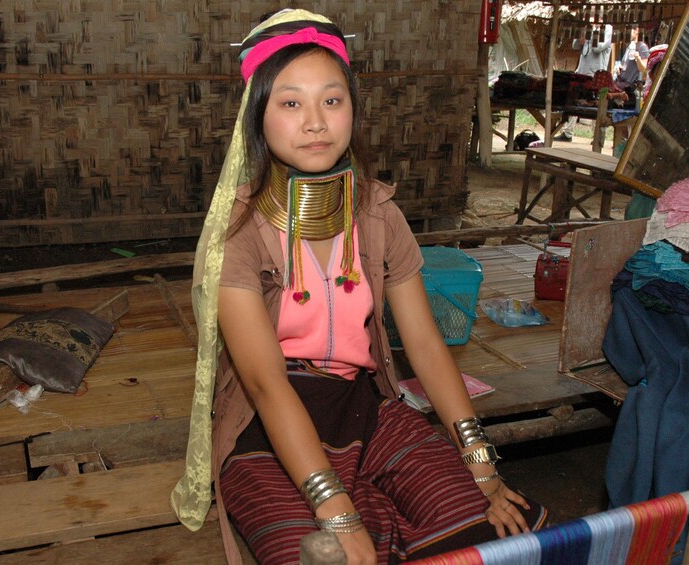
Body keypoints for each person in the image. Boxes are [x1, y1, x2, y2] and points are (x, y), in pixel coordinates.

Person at [170, 8, 546, 564]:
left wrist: (479, 461)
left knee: (494, 531)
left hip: (363, 407)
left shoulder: (377, 215)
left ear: (352, 110)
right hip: (265, 430)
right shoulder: (236, 235)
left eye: (332, 99)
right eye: (290, 103)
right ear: (258, 116)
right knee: (330, 555)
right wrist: (336, 508)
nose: (315, 121)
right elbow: (267, 385)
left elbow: (423, 344)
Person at [555, 24, 613, 142]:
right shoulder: (588, 29)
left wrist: (591, 34)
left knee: (596, 105)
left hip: (597, 74)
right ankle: (567, 133)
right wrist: (582, 34)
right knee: (574, 100)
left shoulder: (607, 29)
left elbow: (598, 48)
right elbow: (575, 46)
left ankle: (597, 136)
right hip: (582, 71)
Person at [613, 25, 650, 96]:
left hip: (630, 88)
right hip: (621, 83)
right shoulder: (630, 46)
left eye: (629, 30)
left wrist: (638, 58)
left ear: (637, 31)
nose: (627, 33)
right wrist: (619, 67)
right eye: (626, 31)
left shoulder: (642, 47)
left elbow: (644, 69)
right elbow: (625, 64)